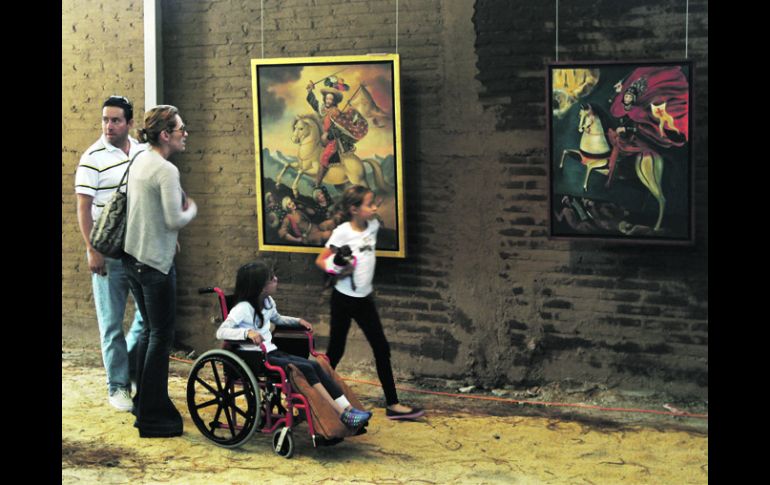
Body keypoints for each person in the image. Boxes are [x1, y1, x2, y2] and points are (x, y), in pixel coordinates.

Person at [216, 260, 372, 429]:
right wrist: (247, 333)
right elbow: (222, 332)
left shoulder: (267, 302)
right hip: (257, 358)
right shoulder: (243, 308)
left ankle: (348, 408)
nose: (276, 279)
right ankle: (341, 414)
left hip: (272, 352)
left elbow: (277, 318)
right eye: (271, 278)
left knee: (315, 365)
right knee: (307, 368)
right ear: (261, 287)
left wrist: (297, 321)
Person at [315, 185, 425, 420]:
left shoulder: (373, 226)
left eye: (375, 203)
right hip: (343, 299)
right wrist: (337, 269)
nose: (374, 208)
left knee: (381, 348)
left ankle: (393, 404)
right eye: (369, 204)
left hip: (364, 299)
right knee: (335, 351)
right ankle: (317, 398)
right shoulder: (343, 232)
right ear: (354, 209)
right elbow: (321, 260)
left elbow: (376, 220)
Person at [122, 105, 198, 438]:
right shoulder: (166, 170)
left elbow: (143, 207)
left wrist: (170, 239)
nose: (185, 133)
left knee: (148, 332)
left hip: (133, 258)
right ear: (165, 134)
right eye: (180, 128)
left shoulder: (140, 158)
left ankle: (142, 403)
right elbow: (173, 218)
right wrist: (192, 210)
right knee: (160, 337)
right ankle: (153, 415)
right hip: (154, 265)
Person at [75, 95, 145, 412]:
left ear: (129, 123)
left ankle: (127, 368)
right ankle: (117, 386)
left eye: (116, 120)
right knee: (111, 323)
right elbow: (84, 209)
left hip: (141, 250)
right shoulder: (92, 158)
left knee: (149, 318)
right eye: (105, 119)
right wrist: (93, 251)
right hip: (109, 254)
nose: (109, 126)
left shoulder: (143, 153)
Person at [306, 80, 368, 187]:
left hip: (334, 141)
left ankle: (317, 184)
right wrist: (309, 91)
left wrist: (328, 135)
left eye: (331, 99)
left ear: (334, 101)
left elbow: (338, 129)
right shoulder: (325, 109)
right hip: (325, 139)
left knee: (324, 158)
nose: (328, 100)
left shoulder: (335, 112)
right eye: (327, 98)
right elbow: (315, 105)